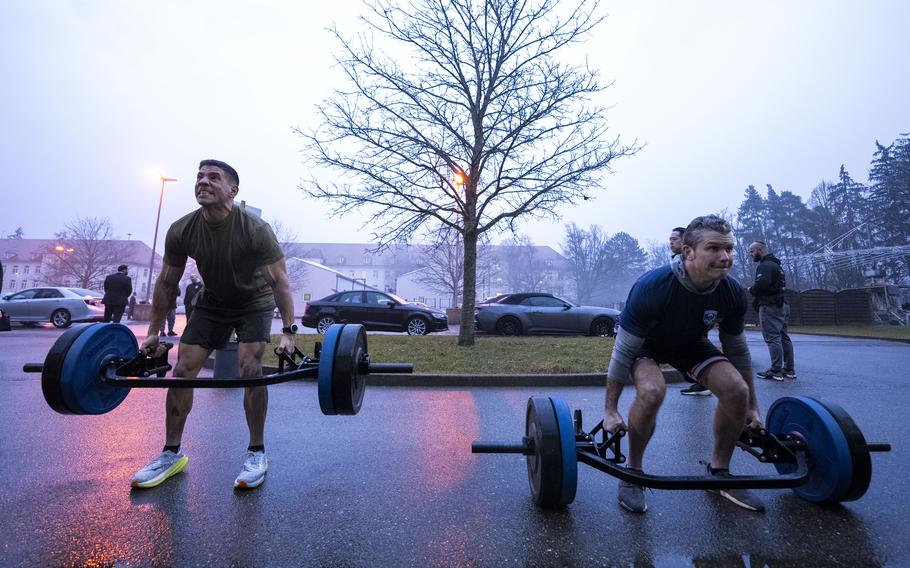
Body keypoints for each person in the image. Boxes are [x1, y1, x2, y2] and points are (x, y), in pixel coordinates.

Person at [131, 159, 295, 491]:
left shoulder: (254, 229)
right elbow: (166, 282)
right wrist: (152, 332)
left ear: (232, 190)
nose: (203, 182)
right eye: (200, 177)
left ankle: (256, 452)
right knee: (183, 370)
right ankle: (171, 452)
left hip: (254, 301)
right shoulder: (182, 230)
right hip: (213, 302)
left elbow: (280, 282)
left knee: (250, 367)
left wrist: (289, 333)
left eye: (213, 178)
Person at [603, 215, 765, 514]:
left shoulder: (731, 292)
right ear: (688, 252)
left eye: (729, 248)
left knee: (737, 391)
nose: (725, 257)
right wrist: (610, 410)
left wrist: (753, 406)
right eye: (714, 248)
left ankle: (719, 473)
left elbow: (738, 351)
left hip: (690, 344)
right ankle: (633, 473)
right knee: (652, 391)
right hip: (646, 345)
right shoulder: (653, 287)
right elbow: (623, 350)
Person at [748, 241, 796, 381]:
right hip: (782, 304)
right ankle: (788, 369)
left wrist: (751, 289)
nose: (750, 255)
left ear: (759, 250)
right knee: (783, 337)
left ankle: (775, 370)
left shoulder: (765, 266)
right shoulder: (776, 265)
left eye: (752, 252)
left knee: (773, 338)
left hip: (770, 306)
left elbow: (762, 284)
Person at [673, 226, 711, 397]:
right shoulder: (676, 261)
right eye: (670, 239)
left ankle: (702, 384)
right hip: (684, 315)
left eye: (674, 239)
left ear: (685, 243)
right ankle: (699, 382)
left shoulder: (689, 264)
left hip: (693, 314)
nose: (671, 242)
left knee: (697, 347)